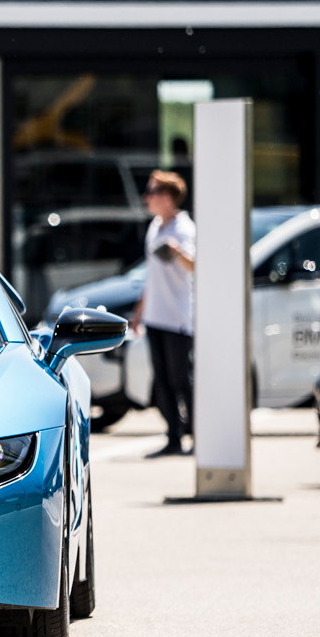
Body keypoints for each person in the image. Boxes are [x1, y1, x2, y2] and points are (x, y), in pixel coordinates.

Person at [130, 170, 196, 458]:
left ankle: (197, 436)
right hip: (155, 317)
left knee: (181, 379)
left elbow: (194, 266)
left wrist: (177, 251)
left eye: (151, 192)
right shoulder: (155, 227)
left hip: (177, 318)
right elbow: (151, 277)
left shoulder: (184, 228)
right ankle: (173, 437)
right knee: (163, 381)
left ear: (167, 197)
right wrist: (139, 313)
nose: (146, 197)